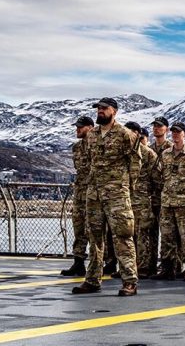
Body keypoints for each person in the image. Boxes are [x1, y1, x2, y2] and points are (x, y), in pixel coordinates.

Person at [72, 97, 140, 297]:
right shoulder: (91, 135)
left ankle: (129, 281)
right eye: (98, 108)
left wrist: (126, 187)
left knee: (123, 237)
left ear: (114, 111)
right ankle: (92, 279)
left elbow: (135, 163)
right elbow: (88, 162)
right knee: (95, 237)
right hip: (94, 194)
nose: (100, 111)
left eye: (104, 108)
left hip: (117, 194)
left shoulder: (125, 135)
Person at [151, 122, 185, 282]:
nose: (175, 135)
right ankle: (168, 268)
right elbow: (158, 175)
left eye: (178, 132)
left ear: (184, 134)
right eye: (173, 132)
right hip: (167, 202)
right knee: (167, 236)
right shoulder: (165, 154)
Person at [124, 122, 158, 279]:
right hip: (126, 200)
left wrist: (148, 193)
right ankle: (127, 267)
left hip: (143, 201)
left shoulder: (148, 154)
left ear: (136, 134)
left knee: (143, 235)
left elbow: (157, 178)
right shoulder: (123, 152)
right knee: (126, 235)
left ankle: (144, 267)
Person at [61, 116, 94, 277]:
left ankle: (98, 264)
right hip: (80, 193)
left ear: (90, 127)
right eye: (77, 127)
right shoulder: (77, 148)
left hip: (94, 193)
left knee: (94, 230)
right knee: (78, 228)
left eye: (81, 127)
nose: (78, 129)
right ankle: (78, 262)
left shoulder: (97, 146)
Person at [148, 116, 173, 275]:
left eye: (160, 126)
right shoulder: (150, 149)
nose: (157, 128)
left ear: (166, 129)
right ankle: (149, 264)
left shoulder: (171, 148)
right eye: (155, 126)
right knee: (150, 233)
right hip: (152, 197)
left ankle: (169, 266)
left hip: (167, 197)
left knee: (168, 234)